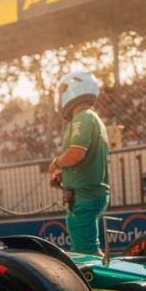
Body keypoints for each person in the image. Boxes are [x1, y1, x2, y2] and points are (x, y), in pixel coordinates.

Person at [47, 70, 111, 255]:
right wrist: (64, 177)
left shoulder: (82, 118)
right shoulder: (92, 118)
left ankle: (95, 284)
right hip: (89, 194)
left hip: (84, 197)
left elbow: (76, 153)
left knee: (85, 254)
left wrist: (56, 163)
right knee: (89, 248)